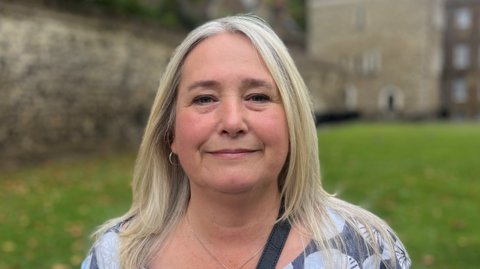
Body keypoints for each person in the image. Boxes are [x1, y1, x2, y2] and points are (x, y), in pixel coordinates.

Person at [82, 15, 411, 269]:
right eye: (204, 99)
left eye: (257, 96)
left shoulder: (368, 249)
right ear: (171, 134)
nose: (232, 122)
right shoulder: (116, 256)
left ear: (293, 123)